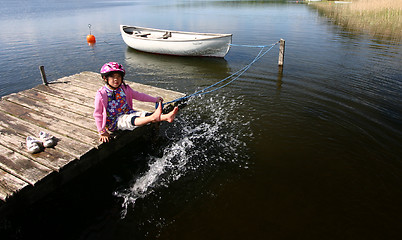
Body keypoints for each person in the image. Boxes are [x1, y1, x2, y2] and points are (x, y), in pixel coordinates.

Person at [93, 62, 178, 143]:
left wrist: (154, 99)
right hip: (113, 121)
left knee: (143, 114)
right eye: (112, 77)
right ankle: (153, 118)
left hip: (128, 112)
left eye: (118, 76)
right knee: (128, 120)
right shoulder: (101, 94)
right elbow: (98, 114)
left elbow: (139, 96)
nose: (116, 79)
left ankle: (167, 117)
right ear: (105, 78)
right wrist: (102, 131)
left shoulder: (124, 89)